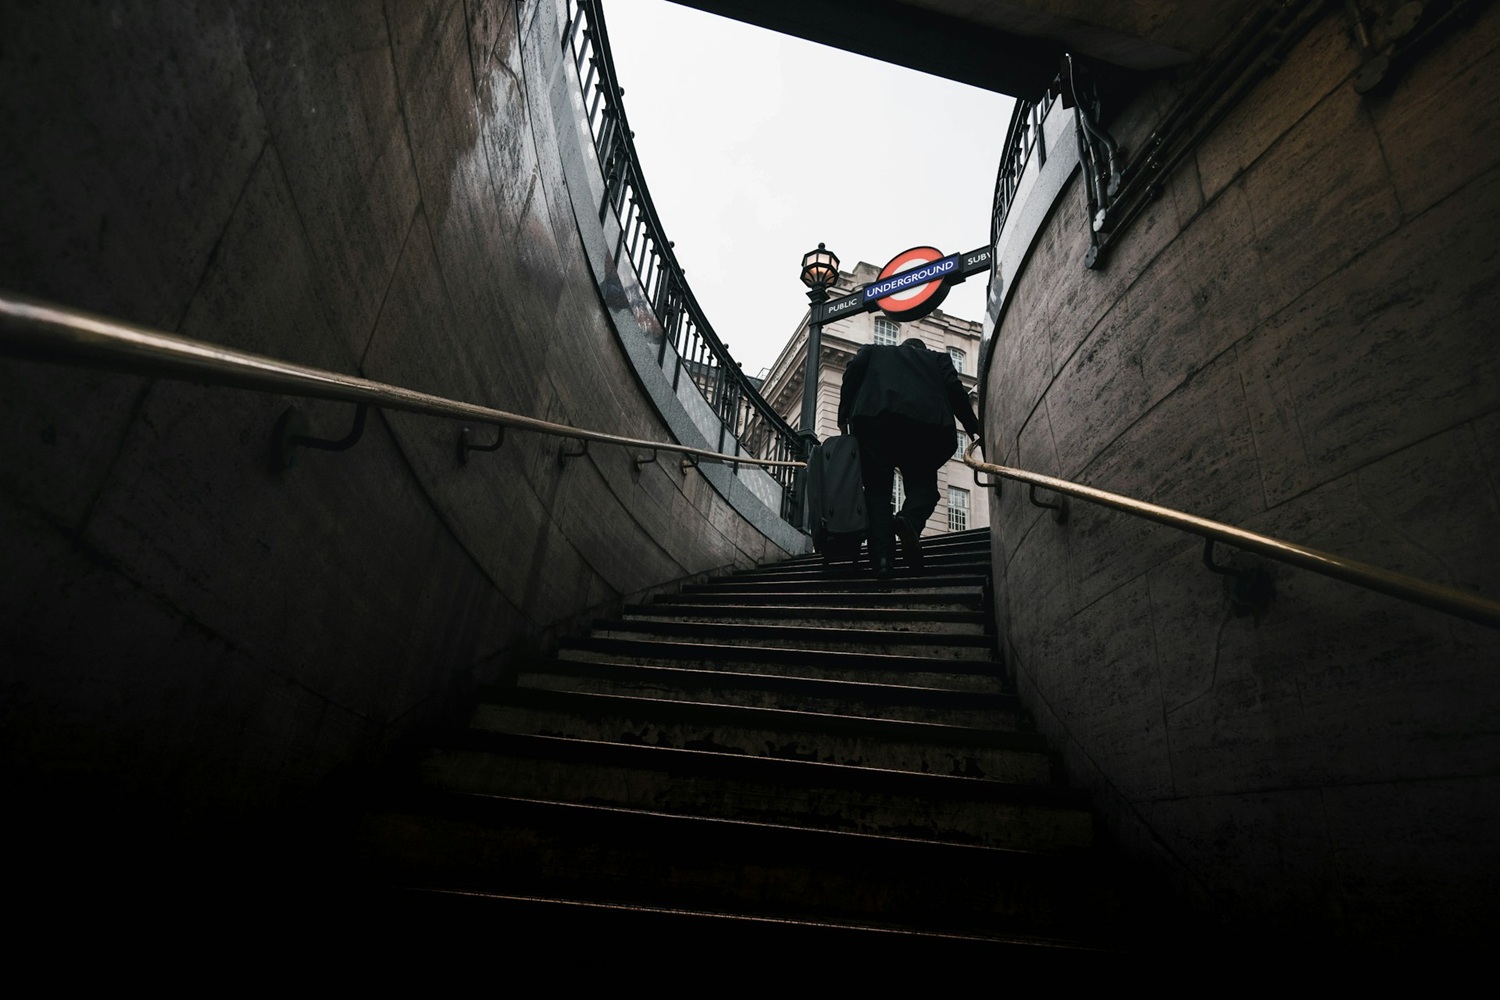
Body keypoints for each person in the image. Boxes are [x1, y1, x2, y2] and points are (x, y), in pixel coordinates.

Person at [838, 337, 981, 577]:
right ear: (922, 350)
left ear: (902, 346)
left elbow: (851, 373)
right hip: (924, 429)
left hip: (876, 424)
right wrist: (973, 426)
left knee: (877, 492)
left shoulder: (872, 351)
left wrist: (843, 417)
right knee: (924, 488)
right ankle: (909, 521)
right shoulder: (938, 359)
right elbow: (956, 391)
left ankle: (882, 559)